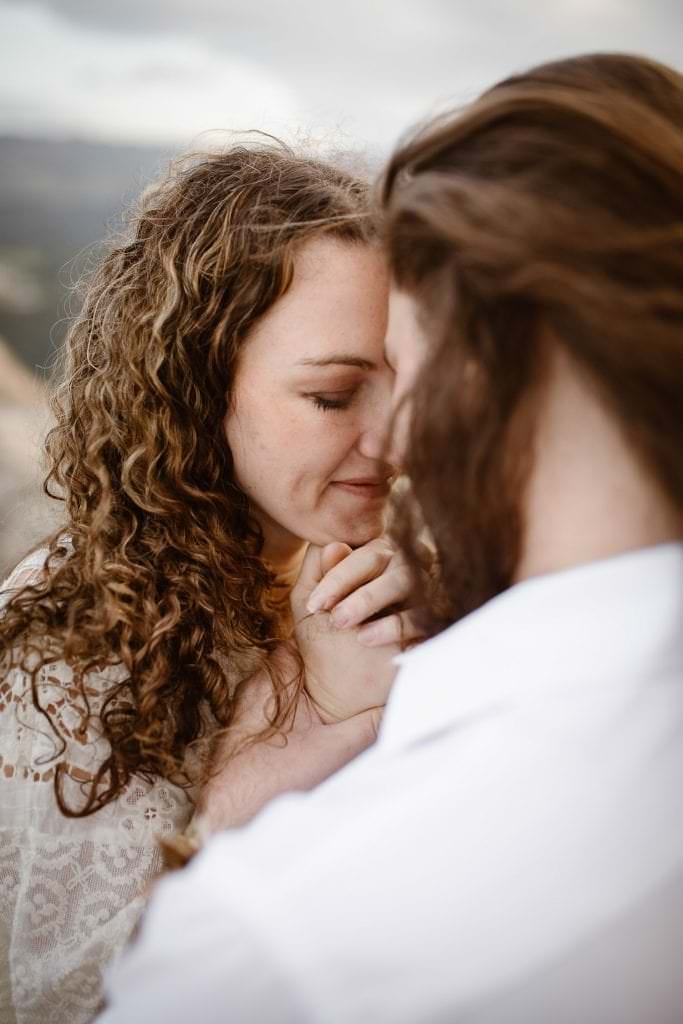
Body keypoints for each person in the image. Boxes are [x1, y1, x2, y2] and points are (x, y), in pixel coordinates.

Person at [98, 52, 683, 1023]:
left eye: (400, 370)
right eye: (334, 392)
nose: (388, 437)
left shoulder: (276, 944)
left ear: (500, 359)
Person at [0, 140, 417, 1024]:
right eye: (335, 397)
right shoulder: (72, 648)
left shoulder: (370, 565)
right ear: (197, 385)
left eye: (409, 386)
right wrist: (281, 754)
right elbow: (73, 1002)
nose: (394, 440)